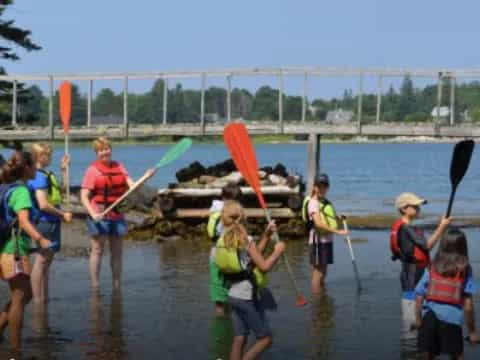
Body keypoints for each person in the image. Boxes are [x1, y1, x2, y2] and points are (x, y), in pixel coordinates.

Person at [214, 200, 285, 360]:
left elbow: (252, 257)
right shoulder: (245, 239)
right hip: (246, 298)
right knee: (265, 338)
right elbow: (264, 266)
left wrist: (266, 235)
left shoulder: (224, 239)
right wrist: (277, 252)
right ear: (242, 218)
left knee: (240, 337)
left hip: (233, 296)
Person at [80, 137, 153, 290]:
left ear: (111, 149)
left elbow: (132, 186)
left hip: (117, 214)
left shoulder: (119, 166)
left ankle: (116, 284)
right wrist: (93, 214)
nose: (104, 152)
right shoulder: (92, 170)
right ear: (96, 153)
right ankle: (95, 285)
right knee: (97, 250)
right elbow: (84, 196)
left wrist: (146, 177)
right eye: (101, 150)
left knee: (117, 252)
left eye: (106, 148)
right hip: (99, 213)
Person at [0, 151, 51, 352]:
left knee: (24, 294)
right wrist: (40, 239)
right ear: (27, 168)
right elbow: (23, 220)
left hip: (4, 247)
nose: (37, 169)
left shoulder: (5, 187)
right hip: (14, 249)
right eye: (34, 166)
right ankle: (15, 351)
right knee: (21, 297)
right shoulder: (20, 191)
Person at [390, 192, 450, 335]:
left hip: (411, 278)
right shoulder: (406, 228)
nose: (418, 209)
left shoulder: (402, 227)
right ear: (404, 209)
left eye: (419, 206)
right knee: (412, 329)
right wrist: (442, 227)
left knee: (416, 327)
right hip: (412, 283)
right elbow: (428, 245)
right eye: (415, 206)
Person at [415, 227, 477, 359]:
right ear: (463, 247)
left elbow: (419, 295)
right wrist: (472, 331)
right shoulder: (465, 269)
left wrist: (418, 320)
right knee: (457, 356)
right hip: (451, 322)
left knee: (429, 356)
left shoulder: (432, 266)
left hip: (429, 320)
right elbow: (468, 305)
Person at [28, 143, 72, 302]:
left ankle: (44, 299)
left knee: (47, 261)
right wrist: (63, 214)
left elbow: (61, 188)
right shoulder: (38, 176)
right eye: (49, 154)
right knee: (41, 261)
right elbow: (43, 204)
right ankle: (37, 301)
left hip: (52, 221)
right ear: (40, 157)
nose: (51, 157)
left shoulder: (46, 174)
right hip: (44, 222)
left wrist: (64, 169)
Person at [303, 173, 348, 294]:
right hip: (318, 241)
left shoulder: (324, 201)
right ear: (314, 187)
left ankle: (321, 296)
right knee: (318, 272)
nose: (322, 189)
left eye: (324, 186)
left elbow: (327, 216)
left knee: (324, 270)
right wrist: (338, 231)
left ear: (327, 187)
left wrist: (338, 218)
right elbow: (318, 223)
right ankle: (317, 302)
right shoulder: (313, 203)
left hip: (326, 240)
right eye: (319, 186)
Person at [207, 182, 242, 317]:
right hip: (231, 256)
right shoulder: (233, 214)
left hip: (216, 255)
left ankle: (222, 324)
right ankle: (229, 323)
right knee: (232, 294)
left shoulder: (215, 211)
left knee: (219, 297)